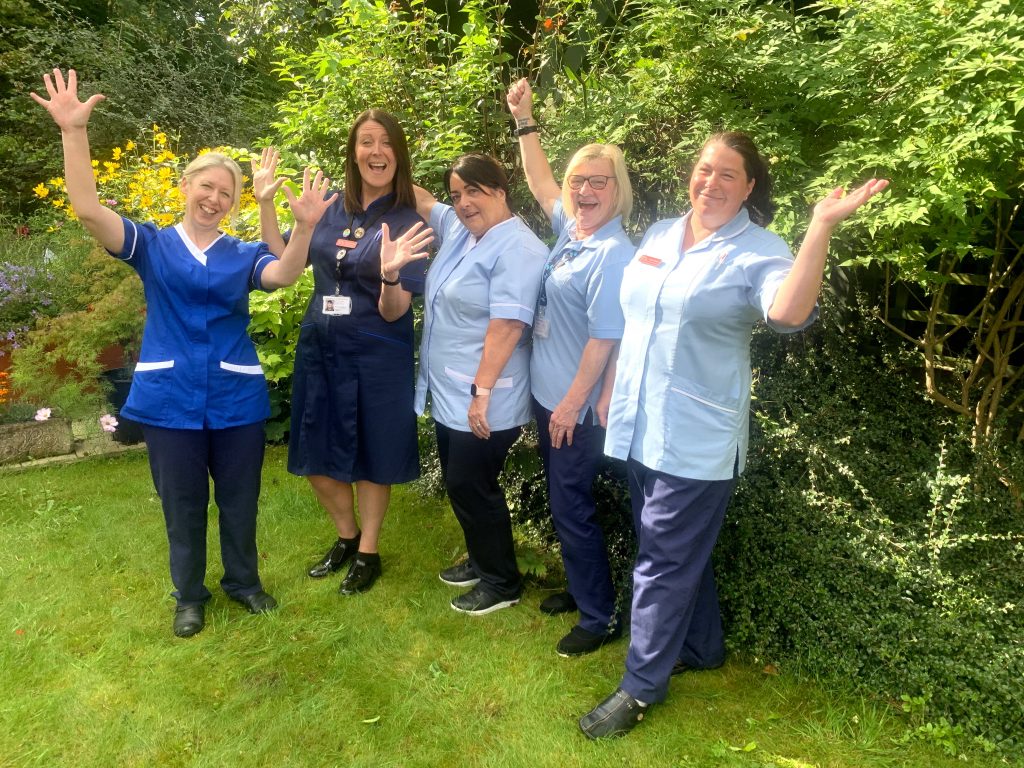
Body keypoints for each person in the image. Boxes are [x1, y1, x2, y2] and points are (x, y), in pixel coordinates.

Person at [578, 132, 889, 738]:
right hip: (637, 424)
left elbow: (788, 312)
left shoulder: (762, 250)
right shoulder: (662, 234)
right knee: (667, 548)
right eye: (703, 170)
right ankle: (702, 646)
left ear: (749, 187)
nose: (710, 183)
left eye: (728, 175)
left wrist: (820, 228)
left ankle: (639, 689)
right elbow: (636, 315)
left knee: (660, 562)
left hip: (695, 437)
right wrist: (611, 382)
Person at [31, 68, 337, 638]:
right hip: (170, 398)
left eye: (226, 193)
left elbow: (287, 273)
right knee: (182, 503)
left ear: (233, 204)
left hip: (234, 396)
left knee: (240, 500)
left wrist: (302, 229)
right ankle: (189, 595)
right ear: (185, 187)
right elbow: (88, 210)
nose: (214, 199)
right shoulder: (150, 244)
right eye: (206, 187)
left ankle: (244, 583)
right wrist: (74, 132)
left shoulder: (242, 253)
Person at [252, 111, 431, 596]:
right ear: (354, 153)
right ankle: (346, 537)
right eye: (366, 142)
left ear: (399, 152)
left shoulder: (409, 221)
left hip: (377, 353)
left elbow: (396, 313)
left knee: (375, 453)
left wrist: (391, 275)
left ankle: (369, 550)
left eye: (386, 142)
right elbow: (281, 256)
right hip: (323, 346)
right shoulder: (331, 208)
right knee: (314, 450)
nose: (376, 152)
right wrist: (266, 204)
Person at [506, 78, 635, 656]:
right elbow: (539, 183)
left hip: (572, 408)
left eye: (597, 182)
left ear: (617, 190)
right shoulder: (573, 232)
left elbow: (605, 338)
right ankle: (585, 592)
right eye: (578, 180)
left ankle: (600, 614)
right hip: (550, 396)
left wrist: (569, 404)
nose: (583, 190)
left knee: (572, 506)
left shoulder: (612, 251)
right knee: (565, 502)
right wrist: (525, 119)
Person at [411, 154, 547, 615]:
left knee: (473, 485)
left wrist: (481, 394)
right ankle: (483, 559)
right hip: (452, 390)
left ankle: (501, 583)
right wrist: (380, 166)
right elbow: (424, 200)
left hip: (486, 395)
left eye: (475, 191)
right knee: (460, 481)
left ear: (500, 192)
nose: (464, 202)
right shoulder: (463, 231)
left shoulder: (518, 249)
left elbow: (507, 326)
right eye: (457, 194)